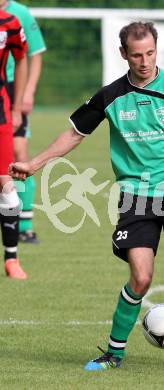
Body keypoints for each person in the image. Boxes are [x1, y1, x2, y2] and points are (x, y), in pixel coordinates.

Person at [9, 21, 164, 369]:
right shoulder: (110, 96)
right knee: (141, 277)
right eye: (136, 55)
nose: (145, 61)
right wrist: (35, 163)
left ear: (156, 50)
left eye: (150, 52)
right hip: (137, 196)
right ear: (124, 54)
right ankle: (113, 353)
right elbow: (74, 134)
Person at [0, 0, 46, 244]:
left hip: (11, 88)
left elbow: (34, 54)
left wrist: (28, 91)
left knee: (18, 153)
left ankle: (24, 225)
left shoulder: (20, 13)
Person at [0, 7, 27, 278]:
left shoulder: (10, 22)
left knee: (6, 180)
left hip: (0, 105)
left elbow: (22, 60)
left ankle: (11, 258)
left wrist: (17, 106)